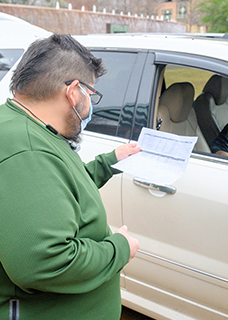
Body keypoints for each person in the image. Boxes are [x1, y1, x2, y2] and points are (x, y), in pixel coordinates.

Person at [0, 34, 140, 320]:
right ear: (74, 92)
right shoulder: (27, 150)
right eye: (91, 93)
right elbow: (44, 261)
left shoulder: (28, 129)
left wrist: (110, 162)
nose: (90, 104)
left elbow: (56, 190)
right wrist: (119, 248)